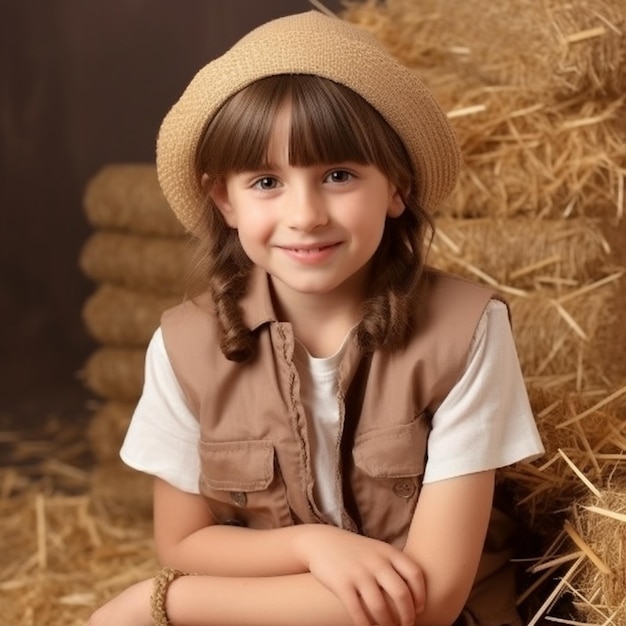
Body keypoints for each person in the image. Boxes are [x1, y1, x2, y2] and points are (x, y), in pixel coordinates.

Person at [88, 10, 544, 626]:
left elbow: (432, 600)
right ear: (224, 199)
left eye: (338, 175)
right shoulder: (183, 345)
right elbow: (183, 542)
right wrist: (313, 545)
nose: (305, 214)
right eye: (267, 180)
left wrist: (158, 602)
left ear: (397, 188)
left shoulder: (468, 331)